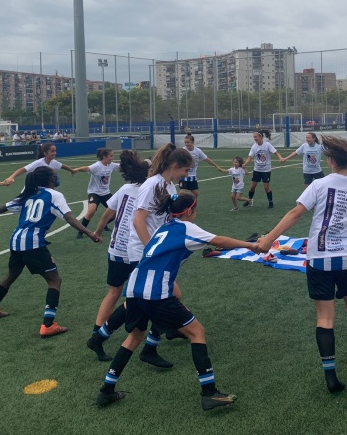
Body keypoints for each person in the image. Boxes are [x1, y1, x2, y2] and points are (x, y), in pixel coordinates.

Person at [96, 191, 259, 410]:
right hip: (156, 292)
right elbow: (218, 240)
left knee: (134, 337)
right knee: (197, 332)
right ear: (190, 210)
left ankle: (106, 390)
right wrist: (252, 245)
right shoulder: (187, 227)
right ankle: (209, 393)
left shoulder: (163, 228)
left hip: (134, 288)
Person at [256, 136, 347, 393]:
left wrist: (268, 239)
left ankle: (331, 376)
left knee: (325, 317)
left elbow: (295, 213)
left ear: (329, 160)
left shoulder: (319, 184)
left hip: (319, 260)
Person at [0, 167, 101, 337]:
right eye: (55, 175)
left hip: (16, 240)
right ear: (50, 179)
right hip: (33, 243)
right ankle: (48, 325)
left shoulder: (29, 192)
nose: (57, 177)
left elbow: (3, 207)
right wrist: (90, 233)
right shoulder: (55, 195)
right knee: (54, 280)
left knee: (11, 275)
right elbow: (70, 218)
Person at [128, 143, 194, 366]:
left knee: (161, 298)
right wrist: (151, 251)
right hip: (143, 250)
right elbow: (138, 221)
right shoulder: (152, 185)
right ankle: (103, 335)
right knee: (153, 301)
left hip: (155, 250)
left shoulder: (169, 187)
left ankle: (153, 341)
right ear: (174, 166)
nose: (186, 175)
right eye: (185, 170)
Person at [85, 151, 150, 362]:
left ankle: (97, 332)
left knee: (114, 291)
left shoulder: (125, 188)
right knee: (153, 291)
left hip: (116, 248)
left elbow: (107, 214)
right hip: (135, 250)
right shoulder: (149, 191)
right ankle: (169, 327)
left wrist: (97, 232)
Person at [72, 148, 120, 238]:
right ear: (105, 157)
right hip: (94, 193)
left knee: (116, 212)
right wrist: (77, 169)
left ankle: (104, 225)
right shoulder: (97, 165)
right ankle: (81, 232)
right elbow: (87, 168)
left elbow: (121, 166)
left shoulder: (111, 165)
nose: (112, 158)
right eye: (111, 156)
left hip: (106, 193)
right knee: (91, 210)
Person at [242, 129, 284, 209]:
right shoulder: (254, 146)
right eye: (254, 137)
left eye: (256, 137)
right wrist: (245, 164)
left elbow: (276, 152)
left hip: (266, 170)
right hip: (257, 169)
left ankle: (270, 202)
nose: (255, 138)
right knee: (252, 187)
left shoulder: (267, 145)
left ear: (261, 137)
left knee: (266, 187)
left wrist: (280, 158)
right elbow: (250, 157)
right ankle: (249, 200)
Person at [4, 142, 78, 185]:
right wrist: (11, 177)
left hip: (43, 189)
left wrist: (72, 170)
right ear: (45, 153)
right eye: (52, 151)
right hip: (32, 189)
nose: (55, 153)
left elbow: (62, 166)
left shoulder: (54, 162)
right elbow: (23, 169)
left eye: (55, 151)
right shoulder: (38, 163)